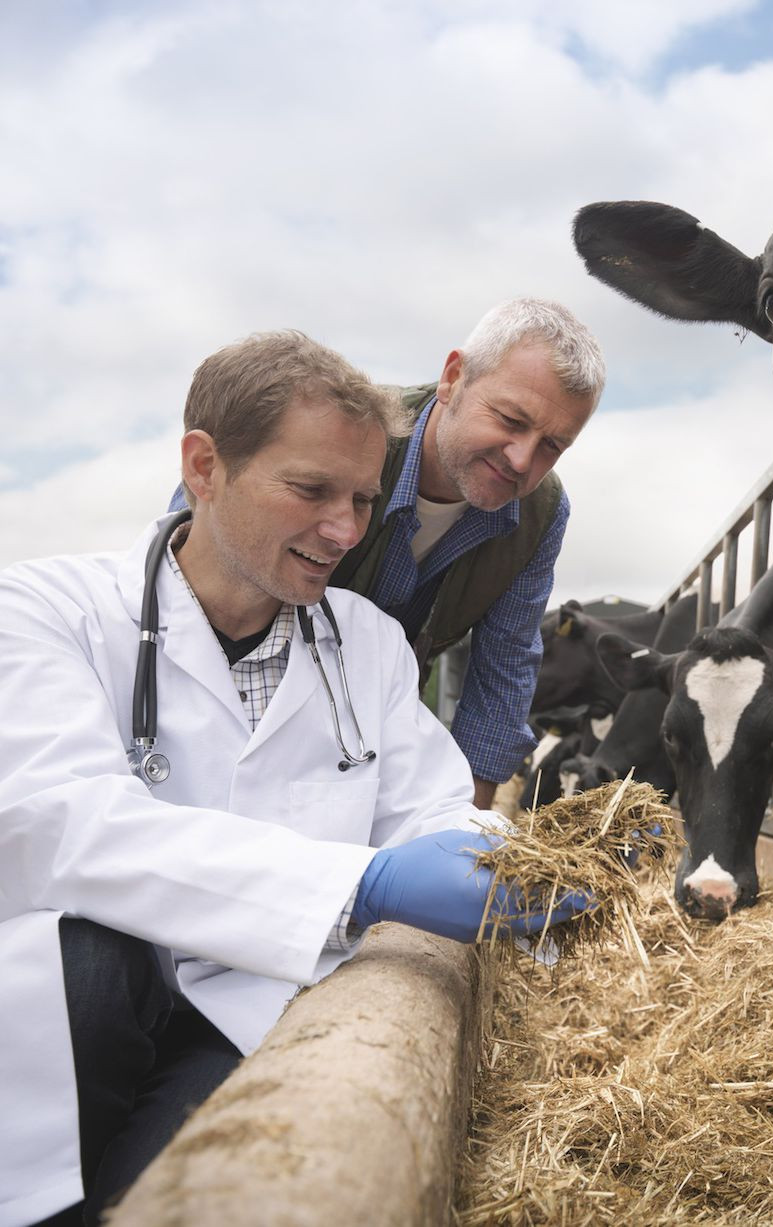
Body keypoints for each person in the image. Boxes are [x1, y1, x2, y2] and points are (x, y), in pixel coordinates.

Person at [0, 332, 588, 1227]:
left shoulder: (367, 641)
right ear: (204, 466)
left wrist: (541, 868)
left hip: (243, 999)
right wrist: (363, 882)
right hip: (73, 1017)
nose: (347, 532)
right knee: (90, 980)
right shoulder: (45, 611)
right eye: (311, 491)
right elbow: (62, 821)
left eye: (359, 498)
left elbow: (432, 806)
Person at [167, 298, 605, 809]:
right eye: (509, 419)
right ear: (454, 377)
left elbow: (504, 668)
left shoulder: (540, 514)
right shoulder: (346, 432)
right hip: (237, 691)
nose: (522, 459)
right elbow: (199, 544)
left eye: (553, 445)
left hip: (374, 728)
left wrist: (462, 840)